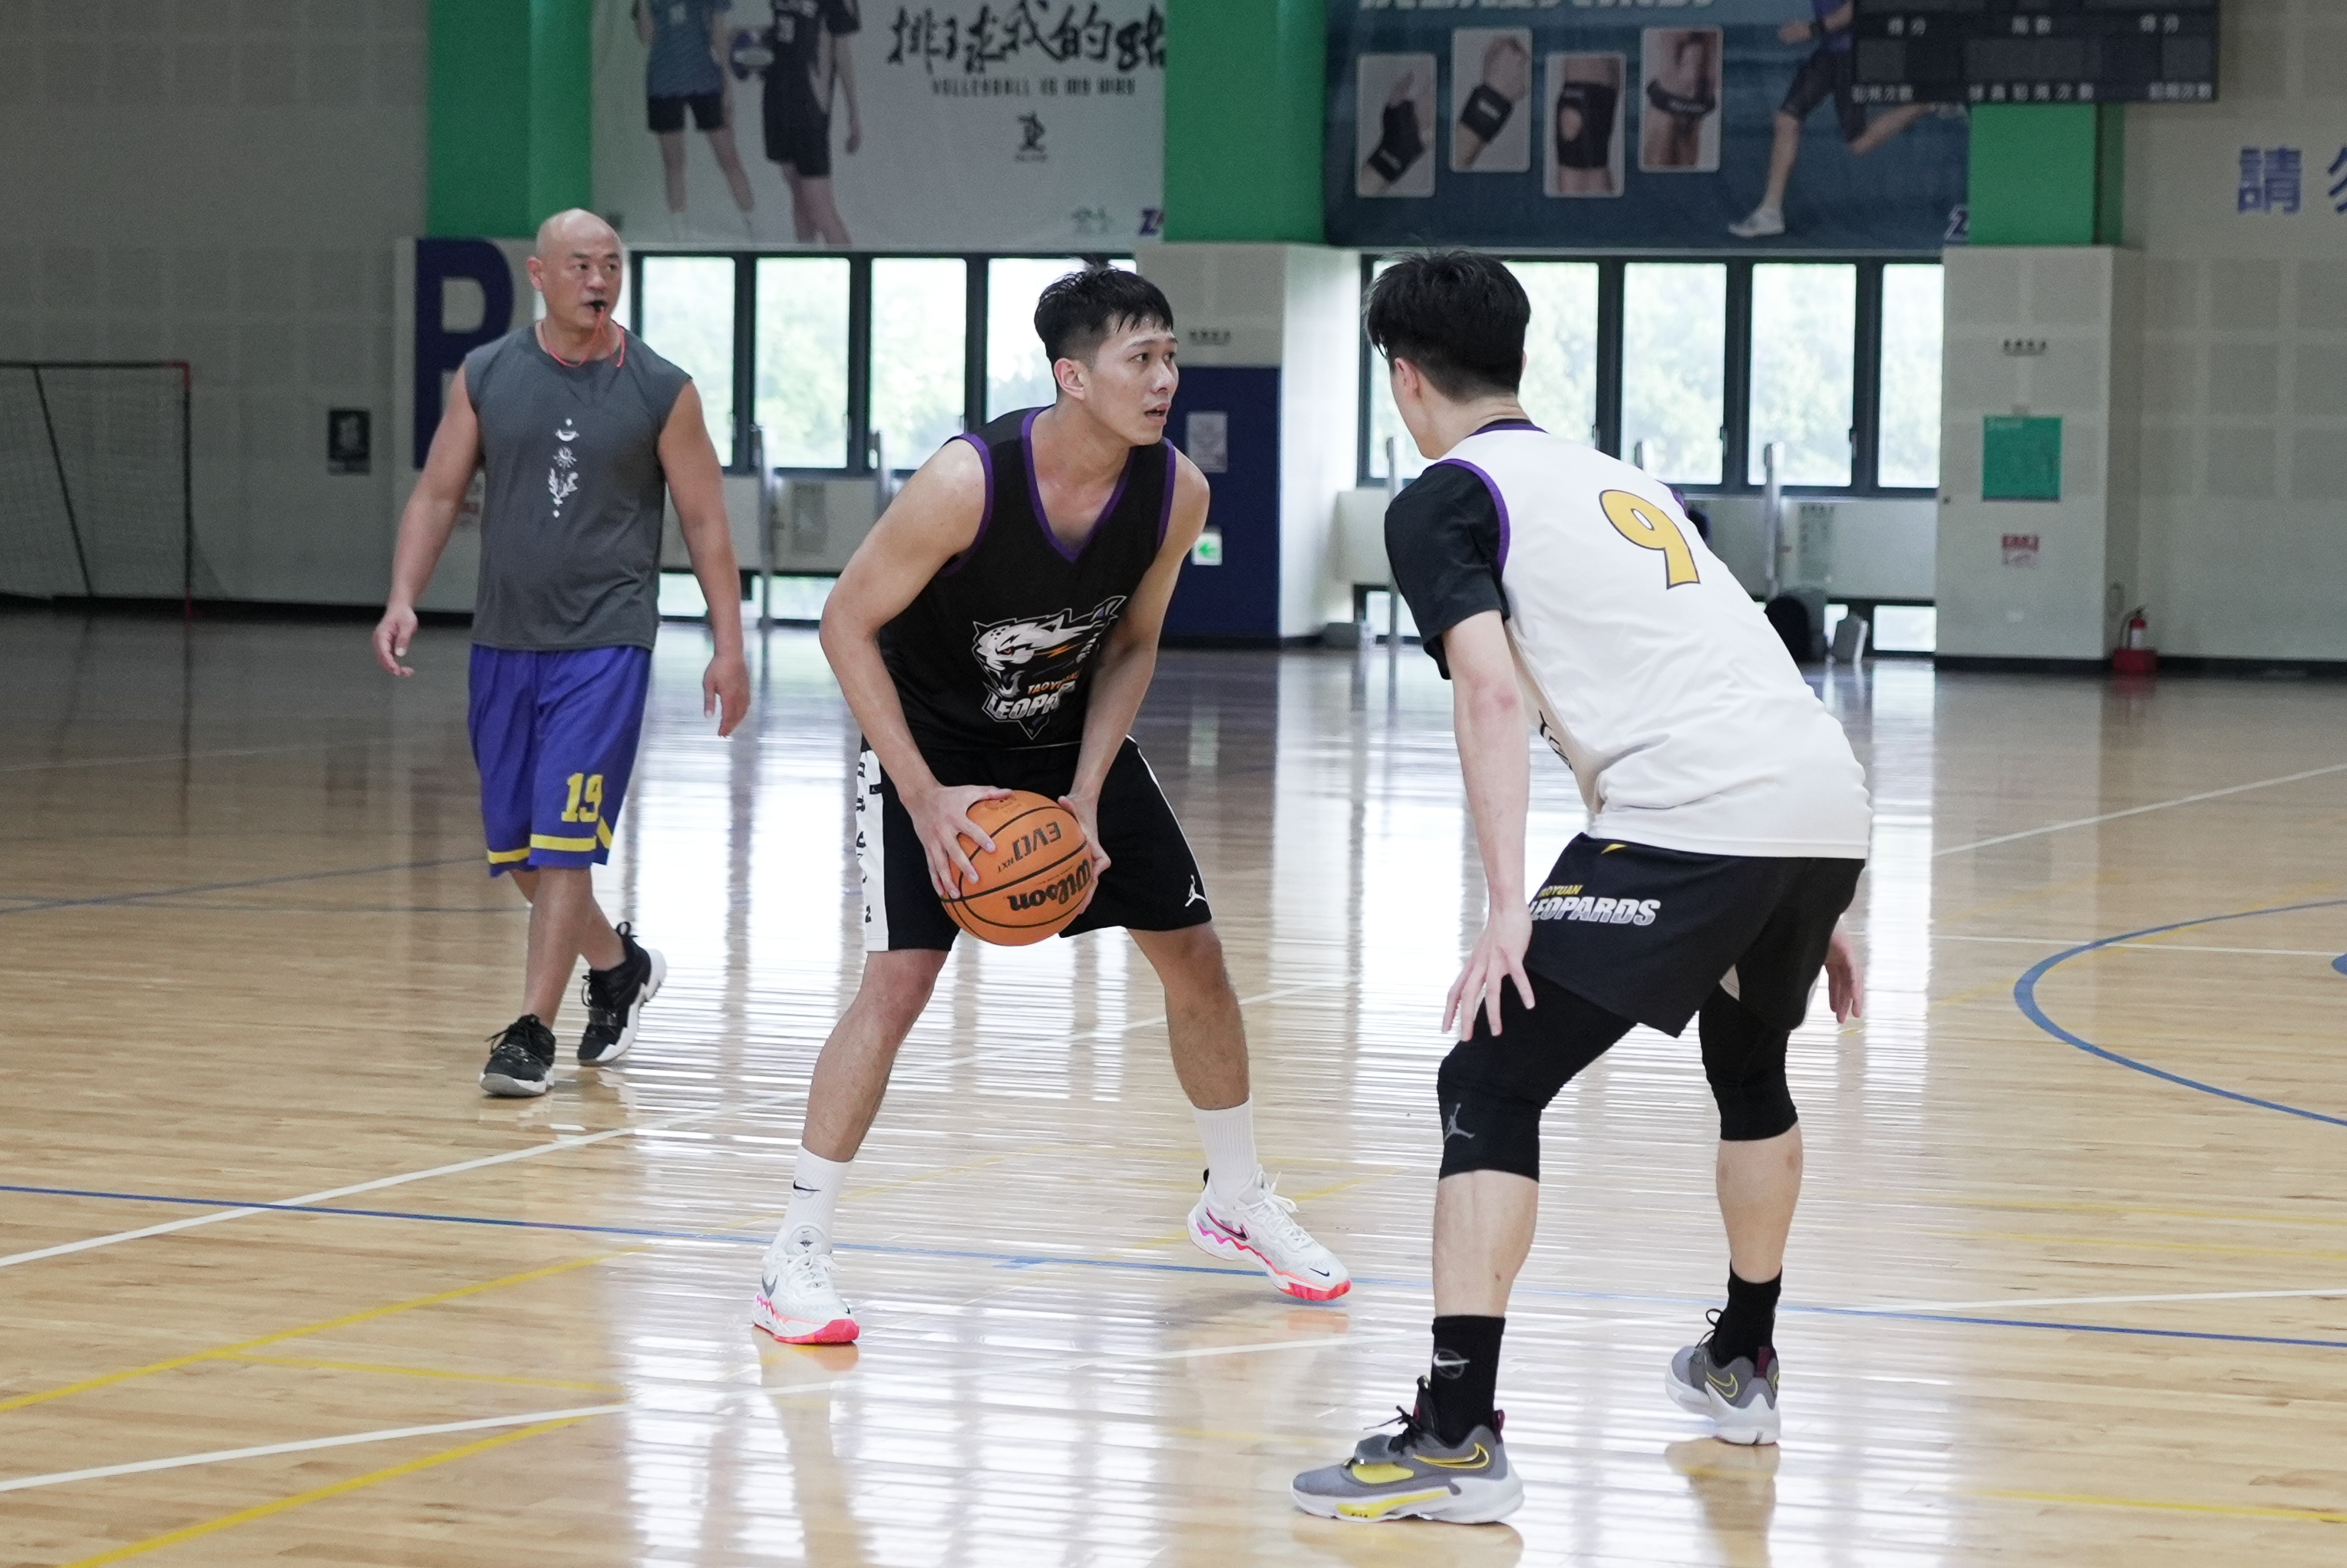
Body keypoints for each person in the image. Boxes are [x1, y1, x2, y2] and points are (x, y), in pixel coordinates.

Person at [1291, 253, 1870, 1524]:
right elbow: (1749, 663)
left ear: (1401, 375)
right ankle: (1741, 1356)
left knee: (1486, 1073)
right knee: (1748, 1069)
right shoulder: (1619, 479)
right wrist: (1831, 890)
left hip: (1695, 816)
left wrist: (1509, 902)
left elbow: (1489, 690)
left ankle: (1452, 1433)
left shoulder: (1446, 496)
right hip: (1817, 796)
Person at [752, 267, 1350, 1345]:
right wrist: (923, 797)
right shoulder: (964, 483)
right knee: (898, 983)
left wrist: (1081, 792)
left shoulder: (1176, 492)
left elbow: (1129, 639)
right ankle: (795, 1243)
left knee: (1196, 955)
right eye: (1140, 359)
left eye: (1170, 355)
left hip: (1066, 742)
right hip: (930, 748)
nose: (1164, 377)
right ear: (1073, 376)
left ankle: (1236, 1191)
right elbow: (844, 622)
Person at [372, 210, 751, 1098]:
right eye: (581, 264)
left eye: (612, 264)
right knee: (520, 858)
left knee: (564, 846)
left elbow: (705, 523)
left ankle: (530, 1031)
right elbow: (435, 495)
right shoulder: (489, 374)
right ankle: (619, 967)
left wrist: (727, 645)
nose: (600, 278)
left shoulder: (662, 388)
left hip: (606, 644)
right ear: (539, 274)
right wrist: (402, 597)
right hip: (505, 642)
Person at [1729, 2, 1930, 238]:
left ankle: (1933, 100)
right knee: (1787, 119)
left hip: (1856, 50)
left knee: (1859, 143)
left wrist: (1812, 29)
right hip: (1831, 51)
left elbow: (1860, 7)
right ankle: (1770, 213)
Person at [636, 0, 757, 236]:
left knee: (728, 156)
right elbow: (647, 37)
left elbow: (719, 33)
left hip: (705, 79)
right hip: (664, 82)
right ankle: (679, 232)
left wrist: (727, 86)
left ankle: (753, 224)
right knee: (674, 162)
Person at [758, 0, 861, 245]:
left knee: (821, 208)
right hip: (778, 95)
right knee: (798, 195)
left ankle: (855, 277)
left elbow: (842, 51)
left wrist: (853, 113)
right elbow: (784, 30)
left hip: (809, 102)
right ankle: (806, 266)